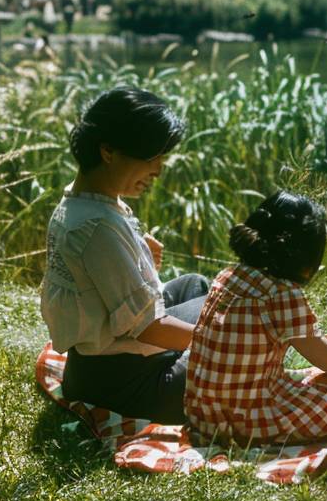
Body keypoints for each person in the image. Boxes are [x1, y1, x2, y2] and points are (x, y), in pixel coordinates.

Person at [185, 191, 327, 445]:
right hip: (247, 423)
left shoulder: (227, 276)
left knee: (311, 373)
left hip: (204, 417)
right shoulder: (281, 292)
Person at [41, 87, 209, 423]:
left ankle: (198, 344)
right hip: (127, 385)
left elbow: (98, 282)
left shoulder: (81, 203)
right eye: (152, 158)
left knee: (197, 286)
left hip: (92, 365)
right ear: (108, 151)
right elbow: (148, 328)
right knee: (225, 322)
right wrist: (224, 341)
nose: (159, 170)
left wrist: (139, 256)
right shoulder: (96, 228)